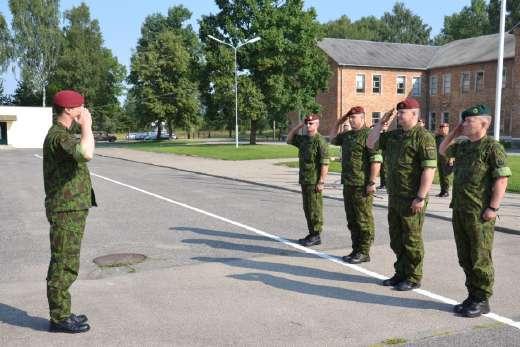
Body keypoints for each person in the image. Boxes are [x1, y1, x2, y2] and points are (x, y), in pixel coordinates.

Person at [439, 104, 511, 318]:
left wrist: (493, 207)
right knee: (465, 256)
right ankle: (472, 294)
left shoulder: (492, 147)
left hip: (480, 212)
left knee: (480, 257)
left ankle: (482, 298)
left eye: (468, 120)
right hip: (460, 209)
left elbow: (502, 178)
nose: (464, 124)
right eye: (463, 120)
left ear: (484, 123)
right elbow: (442, 150)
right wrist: (454, 132)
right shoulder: (463, 146)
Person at [367, 98, 437, 291]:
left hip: (412, 198)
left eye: (402, 113)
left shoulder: (424, 137)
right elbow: (370, 143)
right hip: (395, 196)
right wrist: (381, 123)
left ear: (414, 114)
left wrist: (420, 197)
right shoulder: (394, 136)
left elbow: (429, 170)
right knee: (396, 238)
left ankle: (413, 276)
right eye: (398, 112)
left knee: (411, 239)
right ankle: (401, 272)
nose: (398, 116)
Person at [43, 90, 96, 333]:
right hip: (65, 210)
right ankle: (59, 318)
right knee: (63, 263)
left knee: (67, 261)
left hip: (71, 209)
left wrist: (83, 128)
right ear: (68, 110)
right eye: (80, 107)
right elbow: (86, 153)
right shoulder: (58, 136)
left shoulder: (64, 135)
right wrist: (88, 126)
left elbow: (83, 151)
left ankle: (63, 311)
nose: (83, 111)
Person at [329, 107, 382, 264]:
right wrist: (339, 121)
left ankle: (364, 251)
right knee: (352, 219)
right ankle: (356, 249)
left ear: (363, 118)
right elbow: (332, 139)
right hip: (348, 184)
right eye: (350, 117)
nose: (351, 120)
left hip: (362, 185)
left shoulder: (369, 135)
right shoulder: (347, 135)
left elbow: (376, 160)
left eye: (354, 117)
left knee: (363, 219)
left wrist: (372, 182)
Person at [287, 114, 330, 247]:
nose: (308, 126)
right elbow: (289, 140)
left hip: (314, 181)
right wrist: (298, 126)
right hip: (305, 180)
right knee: (307, 208)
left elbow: (325, 163)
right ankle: (312, 233)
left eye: (311, 123)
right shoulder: (304, 139)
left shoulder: (320, 141)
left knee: (314, 208)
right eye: (306, 123)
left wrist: (321, 181)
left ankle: (316, 235)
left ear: (317, 125)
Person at [435, 123, 454, 197]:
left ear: (448, 128)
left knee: (446, 176)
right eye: (441, 127)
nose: (442, 128)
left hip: (446, 159)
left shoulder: (449, 137)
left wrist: (452, 159)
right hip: (439, 159)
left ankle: (446, 191)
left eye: (444, 127)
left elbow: (453, 149)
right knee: (441, 175)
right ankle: (442, 191)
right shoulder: (437, 137)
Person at [377, 121, 389, 189]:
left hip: (386, 153)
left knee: (386, 169)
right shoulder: (379, 134)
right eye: (383, 124)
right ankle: (382, 184)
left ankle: (387, 184)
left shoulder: (389, 134)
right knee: (381, 169)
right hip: (380, 152)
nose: (384, 126)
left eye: (386, 125)